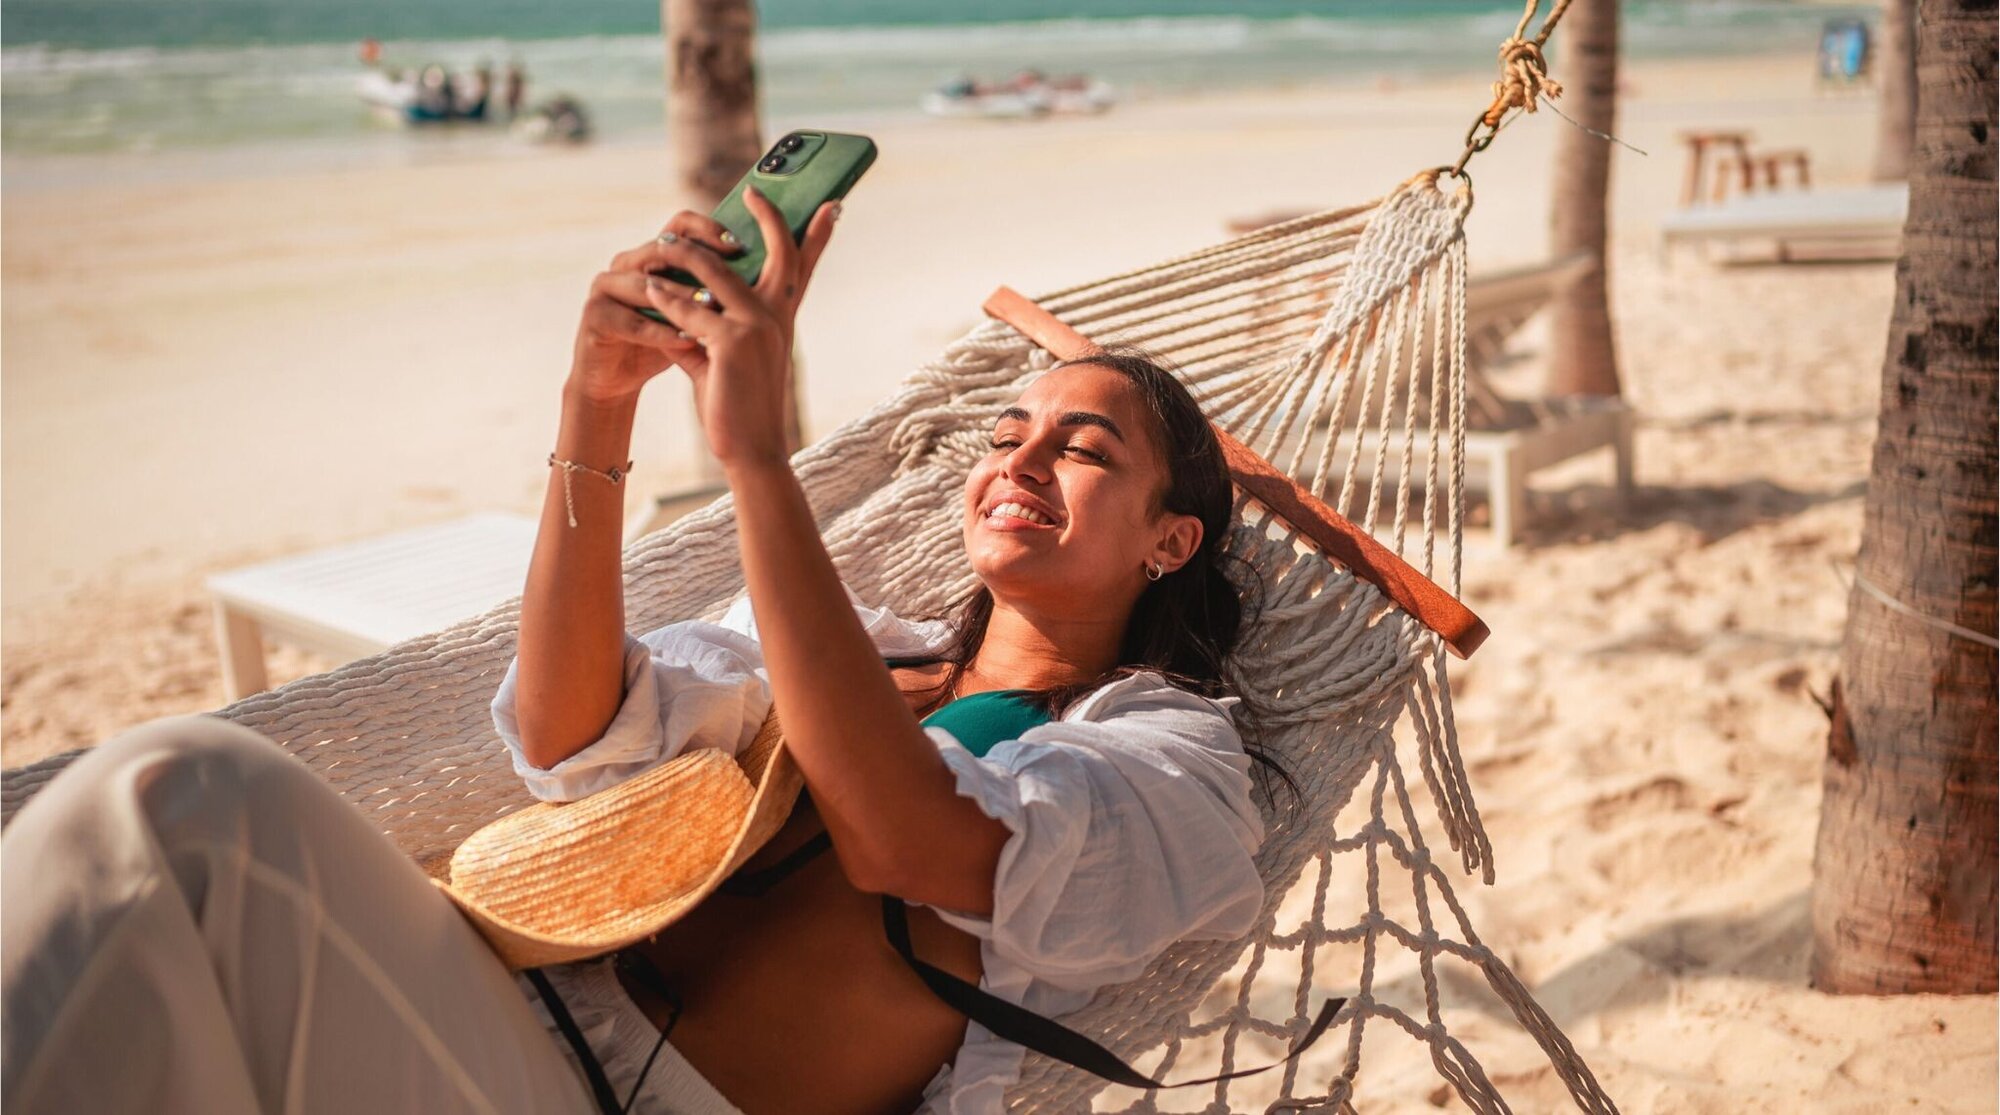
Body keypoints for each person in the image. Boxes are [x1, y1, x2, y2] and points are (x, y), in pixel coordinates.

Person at [1, 189, 1277, 1114]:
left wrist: (756, 458)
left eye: (1082, 447)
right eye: (1008, 433)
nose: (1020, 459)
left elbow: (908, 842)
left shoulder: (1168, 761)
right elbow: (566, 730)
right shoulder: (867, 655)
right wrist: (597, 401)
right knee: (155, 797)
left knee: (182, 793)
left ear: (1168, 540)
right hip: (507, 1014)